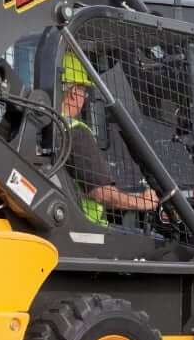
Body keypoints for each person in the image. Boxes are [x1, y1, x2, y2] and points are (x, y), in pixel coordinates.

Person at [61, 51, 158, 225]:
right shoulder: (75, 132)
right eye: (84, 91)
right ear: (74, 92)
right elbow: (101, 193)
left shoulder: (42, 126)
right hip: (86, 230)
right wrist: (141, 202)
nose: (85, 97)